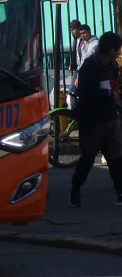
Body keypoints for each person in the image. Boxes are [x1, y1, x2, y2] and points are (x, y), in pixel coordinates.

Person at [69, 31, 122, 207]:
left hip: (109, 117)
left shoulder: (113, 67)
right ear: (112, 50)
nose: (120, 52)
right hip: (93, 120)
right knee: (88, 157)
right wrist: (108, 94)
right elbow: (85, 92)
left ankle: (120, 190)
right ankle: (75, 190)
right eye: (118, 49)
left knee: (115, 156)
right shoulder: (89, 67)